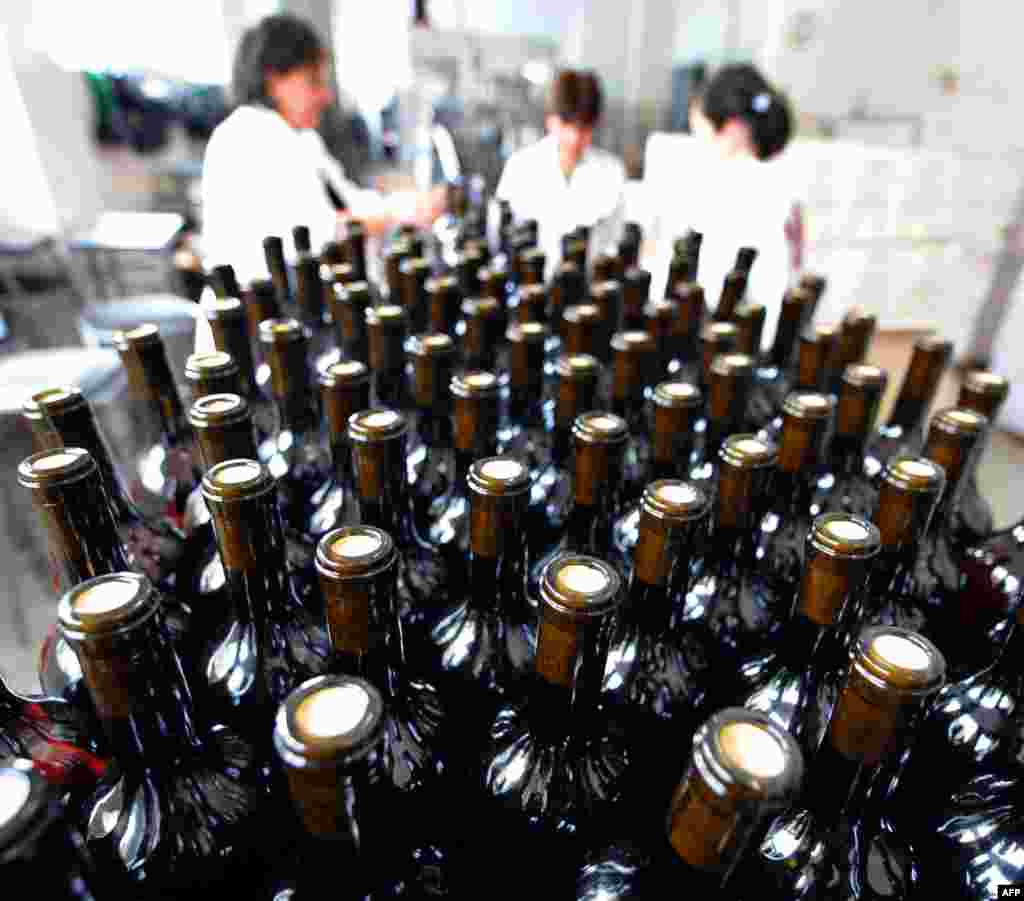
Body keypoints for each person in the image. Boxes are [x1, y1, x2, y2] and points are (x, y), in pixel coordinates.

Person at [200, 13, 445, 285]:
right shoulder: (250, 136)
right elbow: (321, 235)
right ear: (274, 81)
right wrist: (399, 213)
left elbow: (351, 202)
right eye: (313, 81)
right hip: (254, 316)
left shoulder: (302, 139)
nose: (325, 96)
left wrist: (406, 204)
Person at [647, 63, 801, 345]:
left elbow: (688, 287)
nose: (699, 143)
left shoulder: (731, 187)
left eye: (700, 131)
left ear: (731, 127)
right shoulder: (780, 185)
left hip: (722, 343)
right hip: (758, 339)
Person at [495, 69, 626, 279]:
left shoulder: (610, 172)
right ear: (550, 119)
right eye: (566, 125)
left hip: (587, 288)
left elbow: (617, 241)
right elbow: (501, 236)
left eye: (583, 128)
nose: (574, 138)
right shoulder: (521, 167)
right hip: (532, 286)